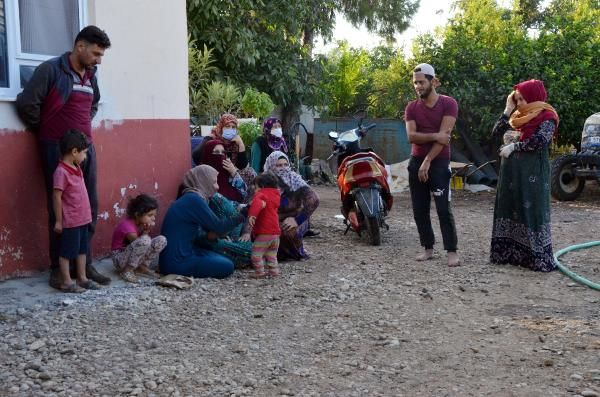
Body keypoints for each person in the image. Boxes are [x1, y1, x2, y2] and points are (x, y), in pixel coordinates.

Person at [16, 25, 112, 288]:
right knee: (60, 209)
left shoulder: (91, 74)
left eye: (101, 55)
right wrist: (49, 131)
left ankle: (85, 265)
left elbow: (92, 105)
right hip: (56, 150)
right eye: (95, 53)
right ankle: (60, 270)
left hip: (85, 150)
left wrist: (82, 134)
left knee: (88, 206)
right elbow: (27, 103)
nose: (98, 60)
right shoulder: (51, 70)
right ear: (79, 46)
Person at [490, 79, 559, 272]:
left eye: (522, 99)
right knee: (510, 208)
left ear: (534, 97)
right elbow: (496, 133)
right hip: (511, 175)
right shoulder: (516, 117)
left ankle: (536, 259)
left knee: (532, 211)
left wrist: (515, 146)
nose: (519, 103)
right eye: (517, 99)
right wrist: (507, 109)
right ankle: (509, 254)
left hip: (533, 175)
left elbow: (540, 140)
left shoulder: (547, 116)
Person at [404, 63, 460, 267]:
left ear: (433, 82)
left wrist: (427, 161)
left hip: (438, 162)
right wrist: (435, 136)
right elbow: (411, 136)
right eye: (415, 83)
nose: (418, 86)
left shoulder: (448, 104)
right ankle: (427, 247)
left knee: (443, 207)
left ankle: (452, 250)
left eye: (421, 82)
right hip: (416, 161)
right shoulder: (411, 107)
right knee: (419, 209)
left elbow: (444, 139)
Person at [159, 165, 245, 278]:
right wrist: (243, 214)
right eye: (214, 182)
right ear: (203, 181)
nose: (217, 187)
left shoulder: (191, 197)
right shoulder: (194, 200)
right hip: (176, 263)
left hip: (180, 255)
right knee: (228, 266)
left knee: (221, 258)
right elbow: (219, 227)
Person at [53, 130, 100, 293]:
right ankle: (66, 281)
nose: (85, 156)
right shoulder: (61, 172)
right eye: (84, 153)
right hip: (71, 221)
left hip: (83, 219)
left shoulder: (76, 167)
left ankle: (82, 278)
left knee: (82, 250)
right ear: (74, 152)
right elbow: (57, 197)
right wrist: (59, 221)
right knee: (67, 252)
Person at [263, 151, 319, 260]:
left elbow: (314, 199)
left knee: (286, 231)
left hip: (294, 218)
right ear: (270, 166)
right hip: (272, 218)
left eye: (285, 165)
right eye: (278, 165)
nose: (283, 168)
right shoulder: (264, 181)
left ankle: (292, 254)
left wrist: (297, 220)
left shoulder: (295, 180)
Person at [111, 194, 167, 283]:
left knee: (161, 240)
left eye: (154, 215)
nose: (153, 218)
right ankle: (127, 271)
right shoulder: (127, 227)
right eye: (150, 215)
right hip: (119, 259)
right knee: (145, 240)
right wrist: (146, 231)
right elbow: (140, 245)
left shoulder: (140, 224)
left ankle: (142, 267)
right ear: (137, 215)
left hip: (131, 254)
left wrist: (145, 231)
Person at [247, 173, 281, 278]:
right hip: (275, 233)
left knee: (256, 254)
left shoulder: (261, 194)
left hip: (265, 232)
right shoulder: (276, 195)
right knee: (271, 254)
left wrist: (252, 215)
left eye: (256, 187)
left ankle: (259, 272)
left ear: (261, 186)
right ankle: (274, 271)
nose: (255, 190)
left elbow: (257, 203)